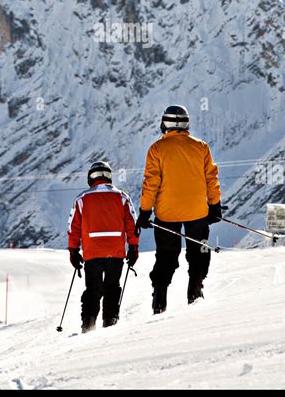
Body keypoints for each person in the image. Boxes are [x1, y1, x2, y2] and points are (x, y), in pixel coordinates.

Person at [136, 105, 222, 314]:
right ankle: (195, 291)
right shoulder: (201, 147)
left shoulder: (157, 149)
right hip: (198, 212)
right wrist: (215, 206)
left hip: (167, 214)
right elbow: (211, 179)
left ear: (164, 124)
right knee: (199, 250)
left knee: (166, 255)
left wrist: (145, 212)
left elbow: (151, 184)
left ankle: (159, 299)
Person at [68, 160, 139, 333]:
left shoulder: (82, 199)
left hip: (92, 252)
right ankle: (110, 321)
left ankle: (88, 323)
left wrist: (73, 251)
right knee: (112, 287)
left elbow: (73, 227)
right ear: (109, 177)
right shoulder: (122, 197)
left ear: (90, 178)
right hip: (116, 252)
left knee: (93, 288)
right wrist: (133, 247)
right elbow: (132, 224)